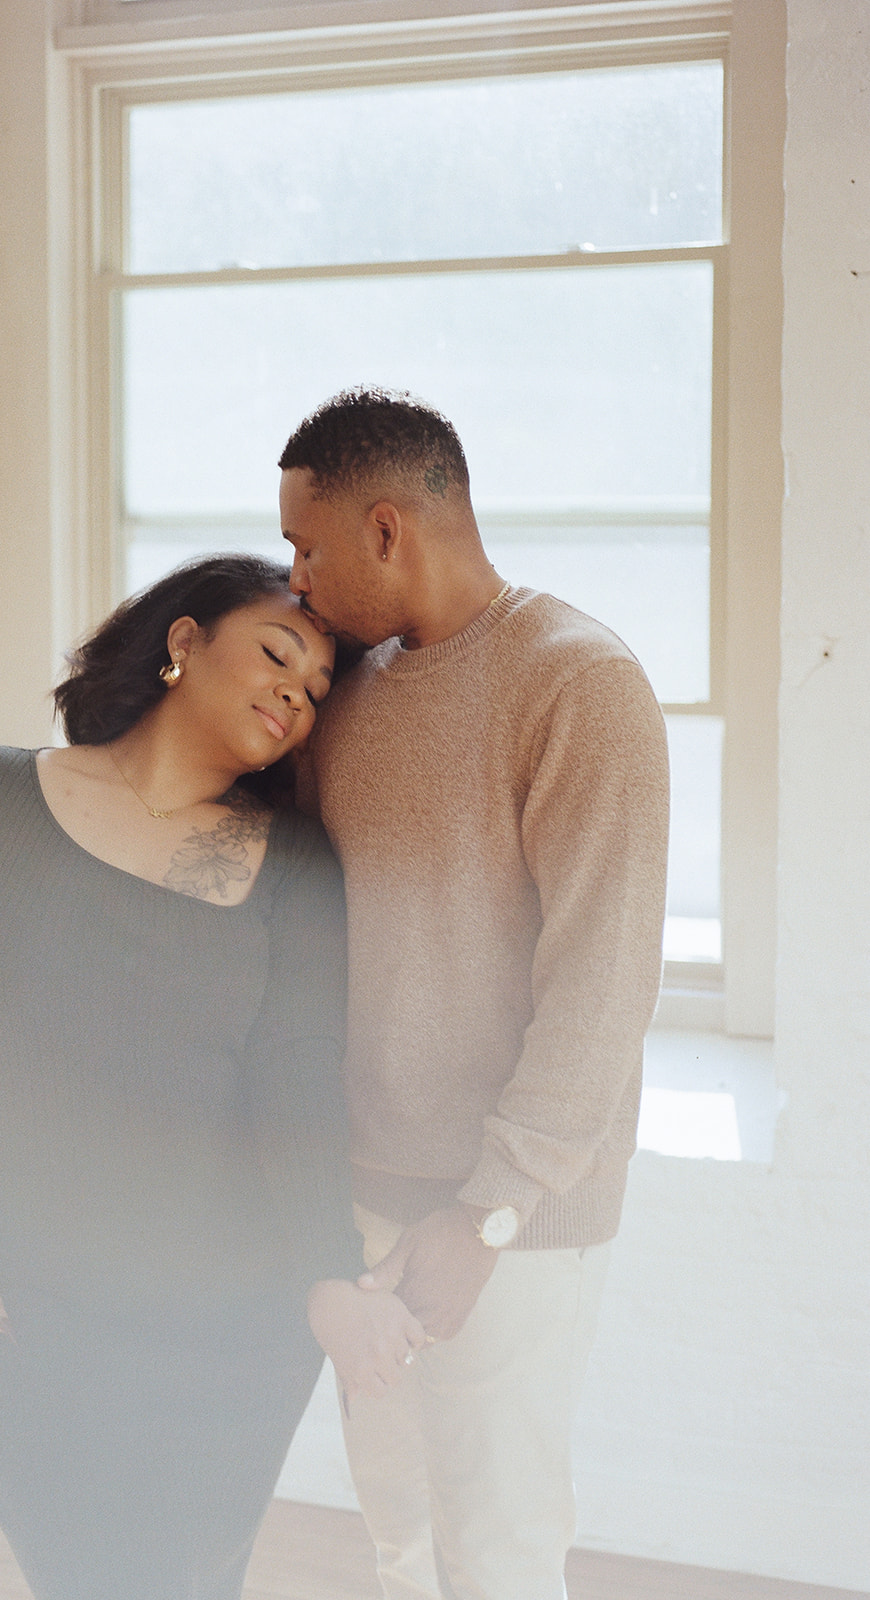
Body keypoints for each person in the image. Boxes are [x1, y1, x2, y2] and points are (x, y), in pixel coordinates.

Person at [0, 554, 425, 1600]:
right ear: (184, 641)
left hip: (228, 1327)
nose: (294, 696)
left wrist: (326, 1273)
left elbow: (299, 1084)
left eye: (314, 692)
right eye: (276, 654)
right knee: (72, 1572)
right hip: (20, 1302)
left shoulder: (296, 866)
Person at [277, 389, 670, 1600]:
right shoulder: (343, 690)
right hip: (363, 1199)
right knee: (397, 1527)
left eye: (307, 547)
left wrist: (489, 1212)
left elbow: (602, 984)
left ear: (385, 528)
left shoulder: (579, 682)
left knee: (497, 1547)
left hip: (510, 1213)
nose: (295, 580)